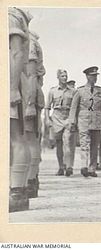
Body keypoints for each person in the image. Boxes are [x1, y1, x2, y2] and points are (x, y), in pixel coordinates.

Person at [9, 7, 33, 212]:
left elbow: (16, 52)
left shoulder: (10, 15)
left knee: (16, 137)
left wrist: (11, 88)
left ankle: (18, 191)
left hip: (10, 82)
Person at [68, 66, 101, 177]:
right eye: (92, 76)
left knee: (95, 145)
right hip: (83, 120)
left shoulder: (100, 90)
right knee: (84, 144)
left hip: (97, 120)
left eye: (96, 76)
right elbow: (74, 107)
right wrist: (72, 121)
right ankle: (84, 166)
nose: (95, 78)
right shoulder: (79, 91)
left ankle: (92, 168)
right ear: (87, 76)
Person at [25, 30, 46, 198]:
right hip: (27, 93)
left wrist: (30, 103)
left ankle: (31, 182)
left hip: (28, 95)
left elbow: (32, 76)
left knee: (29, 140)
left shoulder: (29, 41)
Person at [45, 69, 77, 177]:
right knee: (59, 144)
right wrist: (47, 119)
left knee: (67, 141)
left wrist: (73, 120)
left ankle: (69, 166)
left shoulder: (72, 91)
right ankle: (61, 167)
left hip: (68, 117)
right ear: (58, 77)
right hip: (56, 118)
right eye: (62, 76)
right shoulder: (52, 91)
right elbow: (47, 107)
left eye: (66, 76)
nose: (65, 78)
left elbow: (75, 107)